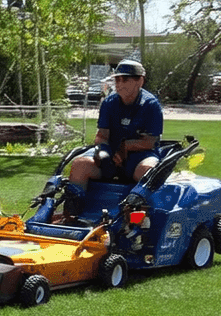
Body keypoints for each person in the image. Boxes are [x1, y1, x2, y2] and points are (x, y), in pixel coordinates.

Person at [64, 59, 163, 219]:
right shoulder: (109, 102)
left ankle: (139, 219)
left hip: (140, 156)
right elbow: (102, 136)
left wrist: (125, 147)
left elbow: (150, 142)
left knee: (147, 171)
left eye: (125, 79)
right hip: (111, 156)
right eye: (117, 79)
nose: (119, 83)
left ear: (140, 81)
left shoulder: (151, 105)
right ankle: (71, 216)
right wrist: (103, 152)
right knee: (80, 165)